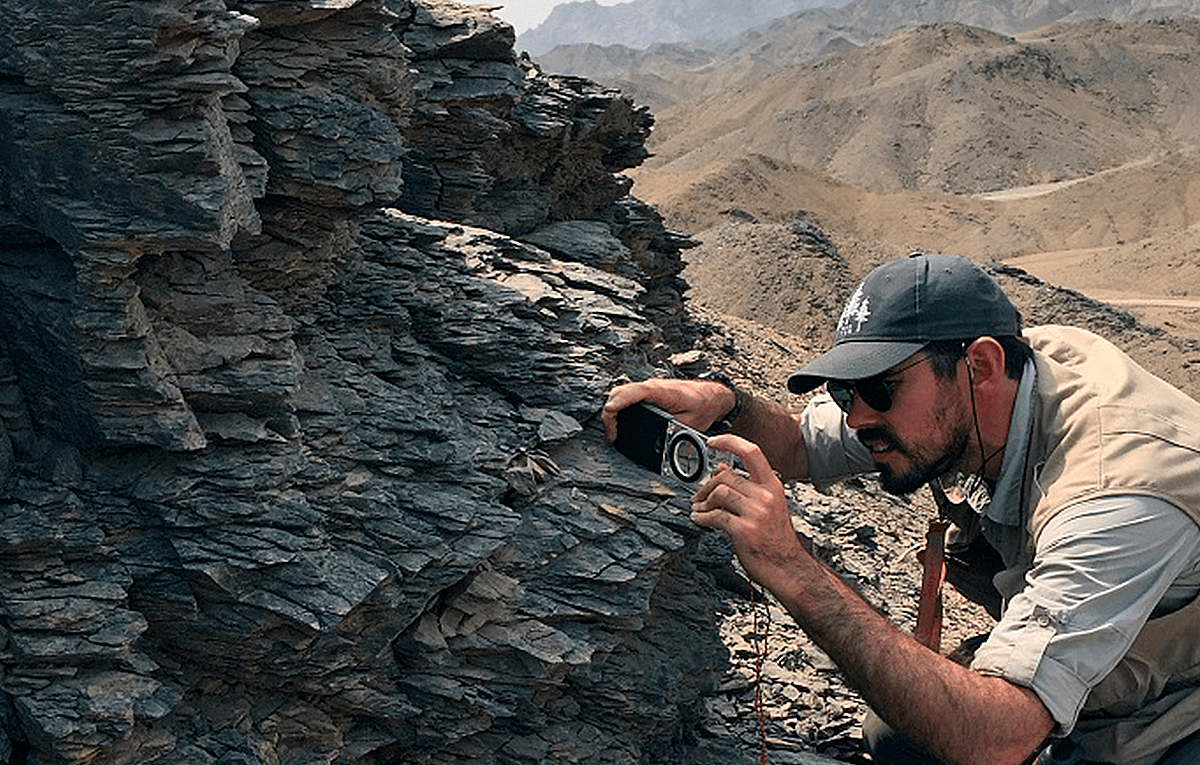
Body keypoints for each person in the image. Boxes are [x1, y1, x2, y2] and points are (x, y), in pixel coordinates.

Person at [602, 254, 1200, 765]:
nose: (858, 415)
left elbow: (996, 741)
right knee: (901, 737)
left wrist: (791, 568)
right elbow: (802, 445)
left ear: (982, 366)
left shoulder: (1116, 496)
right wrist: (725, 406)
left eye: (879, 388)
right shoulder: (988, 389)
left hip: (1178, 716)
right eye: (845, 391)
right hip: (1111, 667)